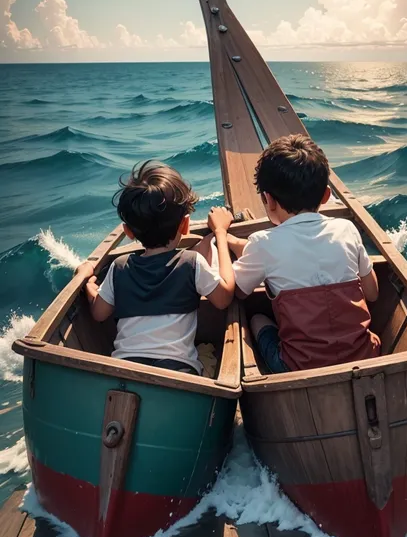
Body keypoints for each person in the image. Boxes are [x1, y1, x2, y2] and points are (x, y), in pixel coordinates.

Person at [227, 134, 380, 373]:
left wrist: (219, 235)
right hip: (363, 356)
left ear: (268, 199)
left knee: (257, 319)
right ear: (326, 195)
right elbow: (372, 293)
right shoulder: (346, 229)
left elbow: (237, 290)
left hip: (299, 366)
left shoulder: (263, 244)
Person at [76, 161, 234, 375]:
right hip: (178, 372)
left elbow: (98, 313)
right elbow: (224, 298)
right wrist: (221, 234)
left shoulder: (120, 267)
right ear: (185, 225)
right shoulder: (191, 262)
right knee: (208, 355)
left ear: (128, 231)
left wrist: (88, 282)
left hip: (124, 369)